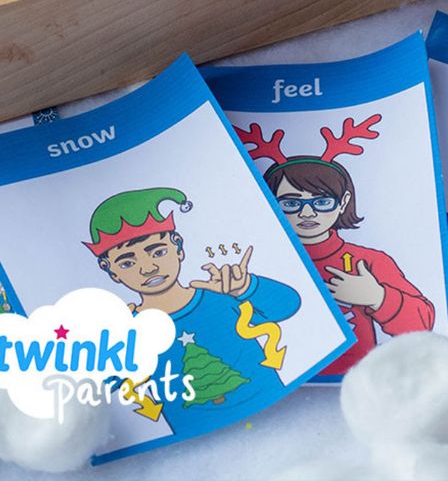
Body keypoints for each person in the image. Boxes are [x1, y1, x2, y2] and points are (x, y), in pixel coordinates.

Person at [85, 187, 301, 435]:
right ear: (111, 272)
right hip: (197, 437)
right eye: (127, 262)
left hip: (281, 413)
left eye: (158, 251)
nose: (148, 268)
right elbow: (101, 384)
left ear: (179, 249)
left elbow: (288, 305)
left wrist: (246, 287)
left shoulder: (220, 295)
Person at [264, 154, 434, 373]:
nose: (307, 212)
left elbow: (423, 324)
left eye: (322, 202)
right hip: (285, 379)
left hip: (358, 380)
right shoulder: (269, 260)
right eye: (291, 203)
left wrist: (377, 297)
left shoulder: (368, 261)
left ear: (343, 202)